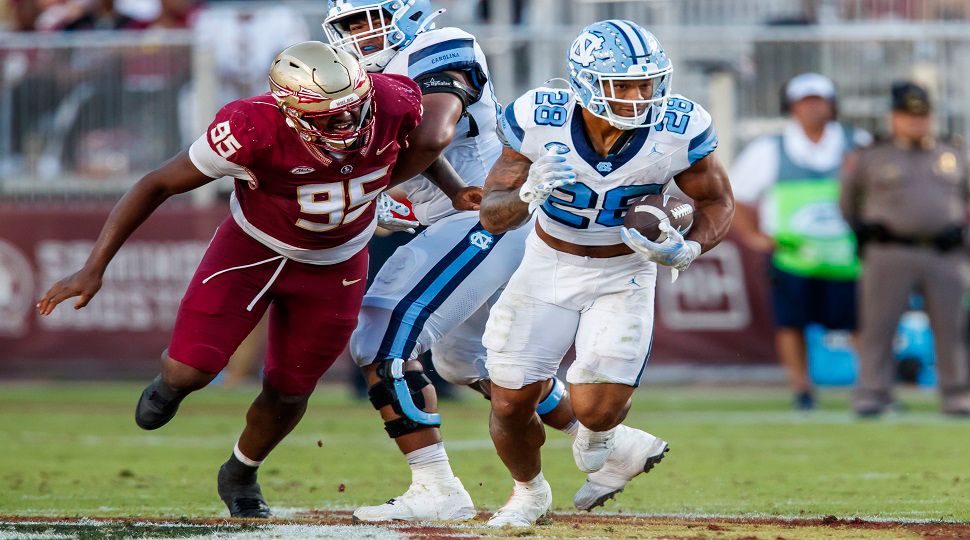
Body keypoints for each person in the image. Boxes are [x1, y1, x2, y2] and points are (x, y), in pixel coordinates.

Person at [35, 41, 472, 518]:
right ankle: (172, 381)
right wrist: (94, 267)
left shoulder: (392, 100)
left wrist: (454, 190)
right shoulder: (250, 128)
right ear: (292, 110)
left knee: (290, 388)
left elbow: (415, 145)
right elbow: (157, 182)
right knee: (192, 368)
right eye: (330, 118)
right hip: (252, 250)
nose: (348, 125)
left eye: (355, 110)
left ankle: (241, 470)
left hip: (337, 263)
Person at [323, 1, 665, 521]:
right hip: (457, 219)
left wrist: (362, 187)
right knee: (467, 362)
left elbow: (432, 135)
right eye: (348, 24)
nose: (358, 35)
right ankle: (615, 445)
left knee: (381, 332)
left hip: (489, 214)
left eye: (368, 18)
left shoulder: (437, 47)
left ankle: (436, 488)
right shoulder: (353, 76)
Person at [478, 20, 734, 527]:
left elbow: (716, 200)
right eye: (626, 85)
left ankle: (606, 444)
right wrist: (528, 192)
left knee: (595, 410)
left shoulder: (679, 127)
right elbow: (491, 211)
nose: (642, 97)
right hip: (548, 265)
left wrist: (690, 247)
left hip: (625, 271)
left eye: (649, 83)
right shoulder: (538, 117)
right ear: (585, 83)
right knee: (509, 401)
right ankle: (528, 493)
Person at [730, 73, 871, 410]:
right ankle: (801, 388)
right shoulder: (769, 149)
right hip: (791, 255)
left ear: (831, 105)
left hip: (847, 254)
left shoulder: (858, 143)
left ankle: (870, 384)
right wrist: (754, 237)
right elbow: (736, 196)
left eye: (819, 100)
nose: (813, 108)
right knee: (791, 323)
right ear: (791, 106)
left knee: (858, 321)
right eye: (805, 101)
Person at [840, 81, 970, 417]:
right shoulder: (872, 155)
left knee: (952, 327)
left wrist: (961, 232)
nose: (915, 122)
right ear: (894, 118)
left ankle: (957, 394)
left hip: (945, 252)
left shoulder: (952, 154)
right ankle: (872, 393)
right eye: (907, 116)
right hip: (889, 251)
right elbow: (847, 201)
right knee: (878, 327)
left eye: (921, 116)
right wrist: (862, 229)